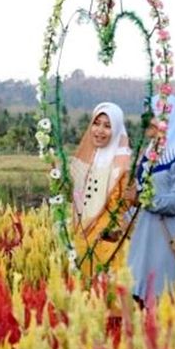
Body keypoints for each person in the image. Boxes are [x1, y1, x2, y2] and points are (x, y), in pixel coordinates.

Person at [125, 95, 175, 305]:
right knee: (144, 305)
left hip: (170, 245)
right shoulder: (153, 154)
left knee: (170, 305)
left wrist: (142, 199)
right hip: (146, 241)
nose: (147, 120)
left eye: (153, 115)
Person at [70, 102, 132, 275]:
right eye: (96, 124)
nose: (99, 130)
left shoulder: (122, 166)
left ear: (117, 129)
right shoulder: (88, 159)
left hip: (107, 239)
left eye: (107, 126)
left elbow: (125, 204)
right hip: (82, 236)